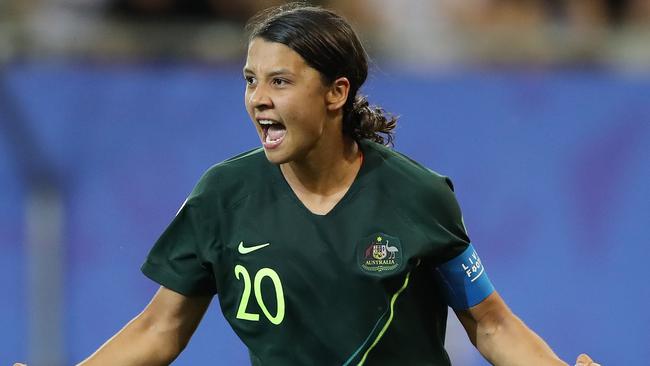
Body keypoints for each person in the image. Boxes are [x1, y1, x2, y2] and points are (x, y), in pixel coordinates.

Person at [15, 3, 599, 366]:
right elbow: (160, 329)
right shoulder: (223, 197)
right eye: (249, 81)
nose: (258, 99)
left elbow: (491, 323)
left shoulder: (419, 197)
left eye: (280, 81)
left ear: (336, 92)